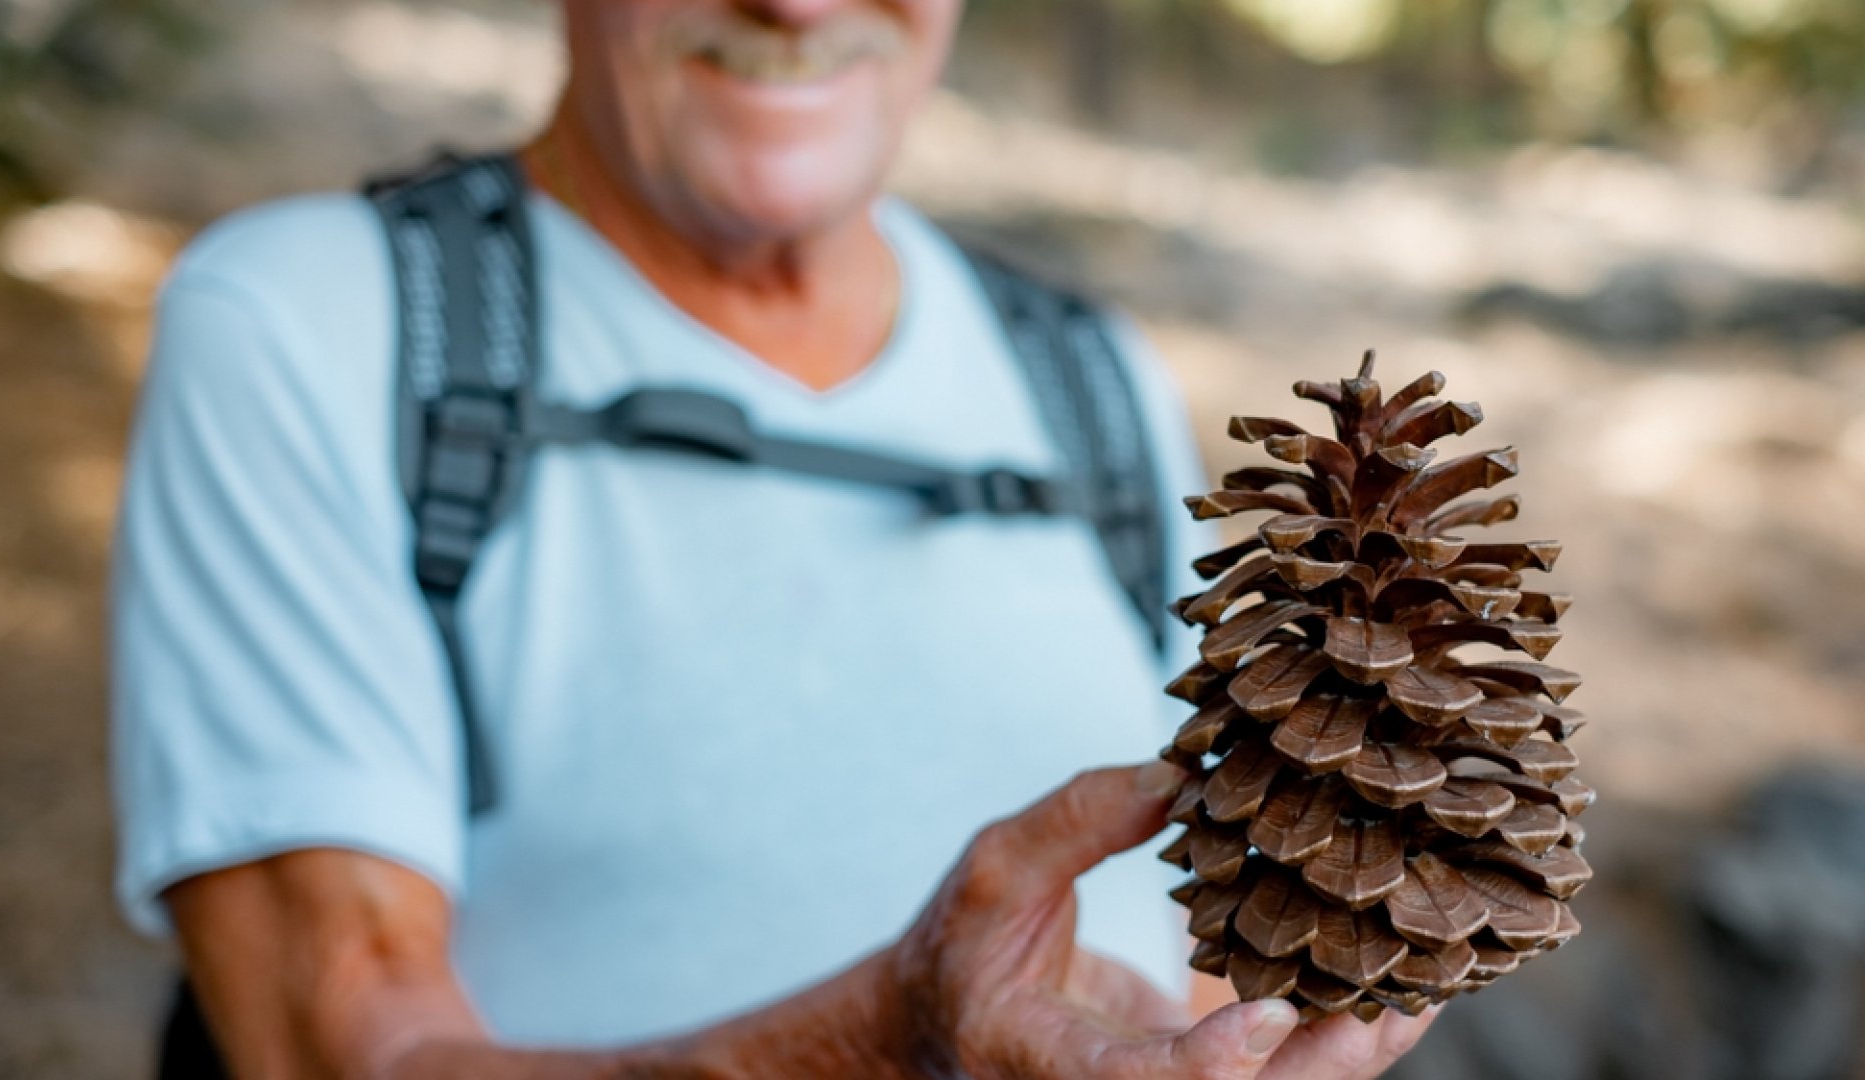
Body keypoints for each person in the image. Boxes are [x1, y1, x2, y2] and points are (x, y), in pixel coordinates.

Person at [111, 1, 1440, 1076]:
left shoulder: (1091, 378)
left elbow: (1198, 950)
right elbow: (343, 1045)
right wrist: (877, 1044)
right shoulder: (308, 324)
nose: (795, 6)